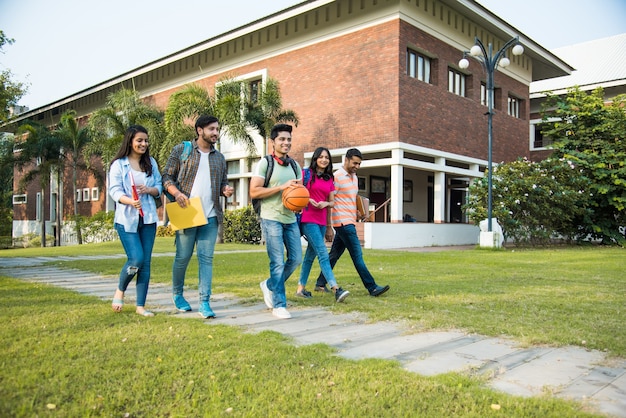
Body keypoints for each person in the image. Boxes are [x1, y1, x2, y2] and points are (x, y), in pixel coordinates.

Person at [162, 115, 234, 319]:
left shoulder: (219, 157)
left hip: (210, 216)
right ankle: (177, 295)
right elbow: (166, 176)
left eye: (217, 129)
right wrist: (176, 194)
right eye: (211, 129)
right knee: (182, 257)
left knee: (206, 259)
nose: (215, 133)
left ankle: (205, 301)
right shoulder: (182, 150)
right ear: (199, 130)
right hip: (187, 213)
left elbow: (222, 183)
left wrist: (225, 190)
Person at [315, 148, 390, 297]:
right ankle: (372, 287)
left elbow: (348, 199)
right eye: (354, 163)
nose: (357, 166)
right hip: (343, 223)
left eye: (359, 164)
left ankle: (320, 283)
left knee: (334, 255)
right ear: (346, 160)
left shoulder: (355, 177)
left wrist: (356, 211)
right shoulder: (337, 176)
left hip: (349, 220)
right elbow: (330, 200)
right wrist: (329, 226)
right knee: (357, 256)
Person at [109, 125, 163, 317]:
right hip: (127, 219)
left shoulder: (151, 163)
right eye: (139, 140)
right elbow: (114, 190)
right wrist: (130, 201)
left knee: (145, 263)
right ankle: (120, 290)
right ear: (130, 141)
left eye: (146, 141)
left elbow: (159, 186)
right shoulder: (119, 164)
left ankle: (141, 306)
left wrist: (149, 190)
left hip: (148, 218)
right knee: (136, 259)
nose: (143, 144)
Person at [250, 123, 303, 319]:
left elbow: (298, 194)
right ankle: (279, 305)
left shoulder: (295, 166)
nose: (286, 142)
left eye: (289, 139)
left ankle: (270, 285)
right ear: (273, 142)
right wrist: (281, 187)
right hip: (270, 217)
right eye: (282, 139)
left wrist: (300, 202)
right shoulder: (265, 163)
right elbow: (254, 191)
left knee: (296, 258)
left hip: (290, 218)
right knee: (278, 262)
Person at [297, 147, 350, 302]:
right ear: (315, 159)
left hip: (321, 220)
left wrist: (326, 208)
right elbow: (297, 193)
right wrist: (308, 199)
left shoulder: (329, 178)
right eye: (320, 157)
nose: (324, 160)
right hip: (308, 218)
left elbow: (332, 202)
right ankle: (336, 289)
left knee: (310, 256)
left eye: (326, 157)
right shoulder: (306, 174)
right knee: (322, 252)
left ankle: (301, 288)